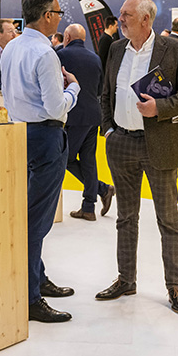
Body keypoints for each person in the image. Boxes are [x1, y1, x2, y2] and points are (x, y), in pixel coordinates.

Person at [97, 0, 178, 315]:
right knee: (125, 218)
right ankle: (126, 279)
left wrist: (161, 107)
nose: (120, 19)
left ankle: (175, 286)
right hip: (121, 143)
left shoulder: (174, 49)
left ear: (145, 18)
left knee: (167, 218)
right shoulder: (116, 49)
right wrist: (109, 130)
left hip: (159, 144)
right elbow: (106, 93)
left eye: (126, 14)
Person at [0, 0, 80, 323]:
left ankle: (38, 277)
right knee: (37, 220)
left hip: (18, 134)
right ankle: (31, 297)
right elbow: (56, 108)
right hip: (46, 137)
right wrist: (73, 89)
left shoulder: (11, 47)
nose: (60, 18)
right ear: (47, 15)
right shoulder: (45, 53)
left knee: (28, 213)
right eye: (58, 13)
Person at [56, 24, 113, 221]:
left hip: (73, 115)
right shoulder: (94, 57)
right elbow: (99, 88)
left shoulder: (60, 56)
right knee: (88, 160)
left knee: (66, 158)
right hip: (93, 115)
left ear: (67, 37)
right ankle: (89, 207)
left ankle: (102, 189)